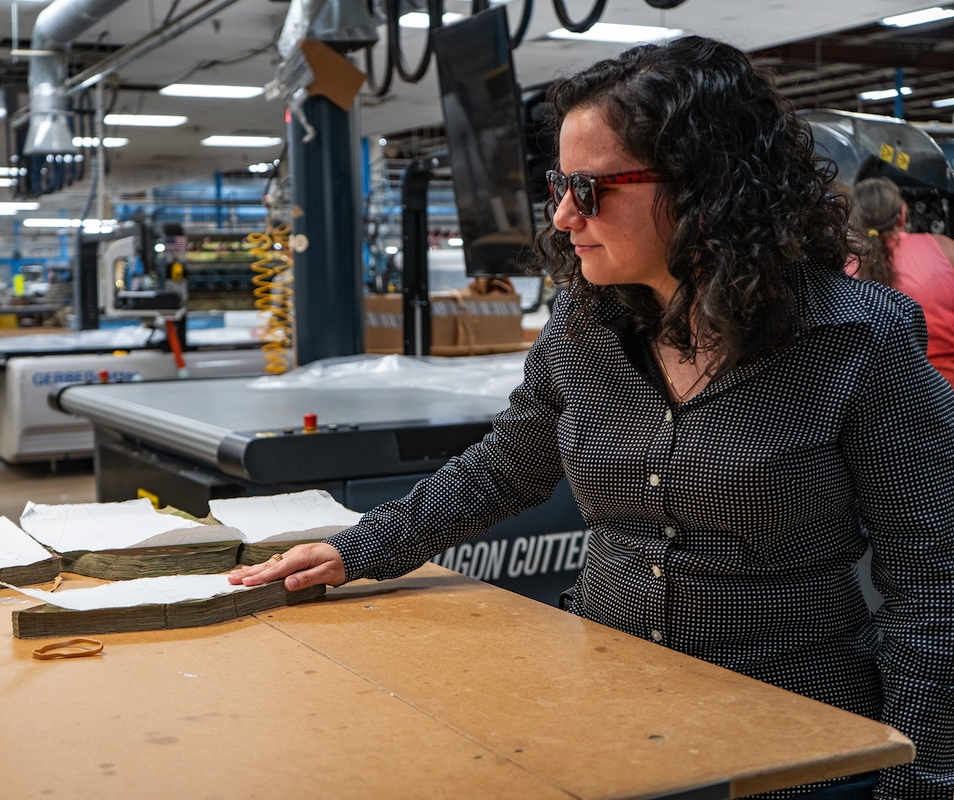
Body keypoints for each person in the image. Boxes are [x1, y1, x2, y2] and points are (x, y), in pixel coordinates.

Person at [230, 35, 954, 800]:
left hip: (794, 742)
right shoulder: (584, 327)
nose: (565, 216)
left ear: (704, 186)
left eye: (591, 187)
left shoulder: (857, 339)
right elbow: (503, 469)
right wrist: (358, 549)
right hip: (611, 714)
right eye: (558, 185)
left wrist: (923, 778)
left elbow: (933, 575)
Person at [848, 176, 954, 386]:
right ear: (902, 216)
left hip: (884, 403)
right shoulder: (944, 248)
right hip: (947, 389)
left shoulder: (846, 267)